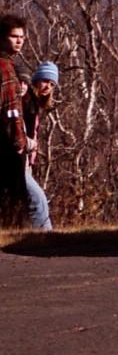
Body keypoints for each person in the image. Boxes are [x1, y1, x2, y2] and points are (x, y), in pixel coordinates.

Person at [20, 61, 56, 230]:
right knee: (38, 199)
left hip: (25, 160)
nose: (47, 86)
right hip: (17, 158)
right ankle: (45, 236)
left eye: (51, 83)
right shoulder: (27, 101)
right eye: (44, 80)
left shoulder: (35, 104)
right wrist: (29, 143)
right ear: (35, 81)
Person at [0, 13, 28, 223]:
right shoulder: (5, 68)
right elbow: (11, 110)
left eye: (22, 37)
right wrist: (19, 140)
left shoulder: (11, 66)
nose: (19, 41)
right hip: (5, 142)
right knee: (14, 198)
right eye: (14, 36)